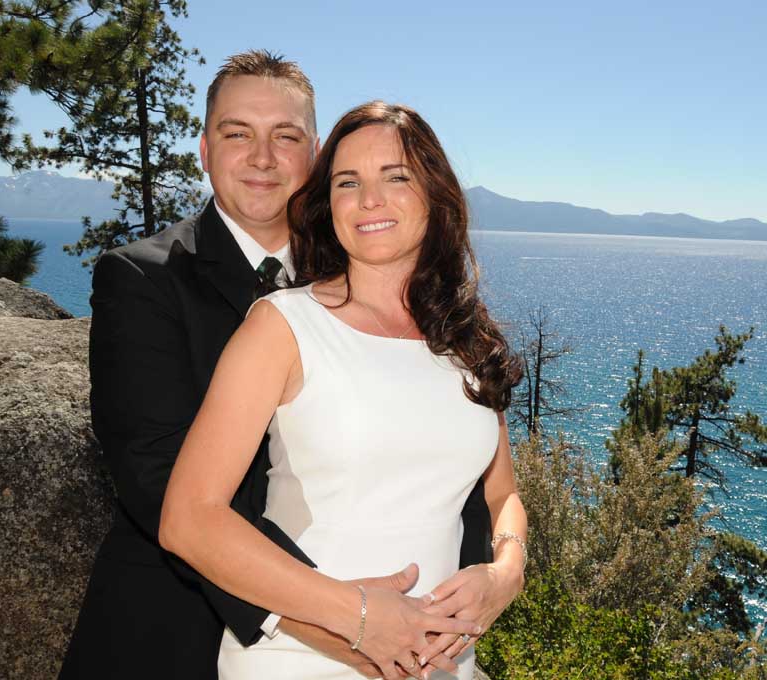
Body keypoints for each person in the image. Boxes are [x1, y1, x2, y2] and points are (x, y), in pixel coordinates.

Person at [60, 52, 491, 680]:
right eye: (238, 134)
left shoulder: (362, 279)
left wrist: (473, 594)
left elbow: (457, 466)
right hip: (179, 626)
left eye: (285, 136)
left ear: (314, 155)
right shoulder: (142, 279)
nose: (263, 157)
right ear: (205, 150)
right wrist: (342, 624)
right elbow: (158, 483)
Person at [158, 101, 528, 680]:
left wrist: (506, 572)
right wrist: (357, 616)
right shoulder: (281, 327)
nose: (369, 199)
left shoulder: (465, 338)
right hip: (303, 659)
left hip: (443, 667)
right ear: (327, 205)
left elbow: (502, 494)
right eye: (347, 182)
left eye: (396, 177)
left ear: (436, 194)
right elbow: (188, 518)